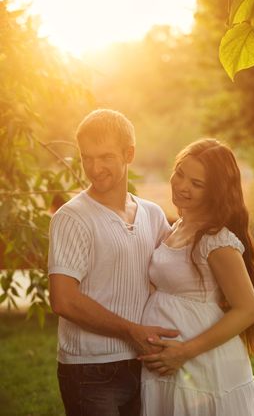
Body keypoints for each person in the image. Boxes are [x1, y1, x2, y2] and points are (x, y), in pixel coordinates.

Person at [48, 108, 179, 416]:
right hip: (90, 371)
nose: (94, 168)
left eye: (105, 156)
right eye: (86, 157)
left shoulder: (152, 214)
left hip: (144, 362)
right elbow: (63, 301)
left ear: (128, 153)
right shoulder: (72, 218)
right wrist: (131, 331)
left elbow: (178, 271)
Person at [139, 138, 254, 416]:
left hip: (202, 367)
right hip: (172, 364)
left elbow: (248, 310)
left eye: (196, 184)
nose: (182, 185)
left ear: (215, 192)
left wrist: (185, 351)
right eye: (180, 174)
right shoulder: (179, 227)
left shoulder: (216, 241)